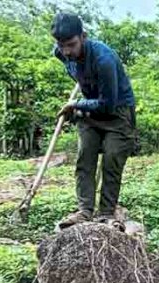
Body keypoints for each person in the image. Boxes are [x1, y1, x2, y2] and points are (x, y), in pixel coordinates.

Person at [52, 13, 138, 229]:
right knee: (84, 160)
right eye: (62, 46)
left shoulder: (104, 59)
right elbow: (77, 74)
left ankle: (106, 214)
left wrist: (76, 105)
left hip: (117, 113)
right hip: (90, 112)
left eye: (71, 45)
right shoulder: (61, 54)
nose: (67, 51)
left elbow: (107, 104)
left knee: (111, 161)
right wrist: (82, 101)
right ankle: (84, 211)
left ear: (84, 36)